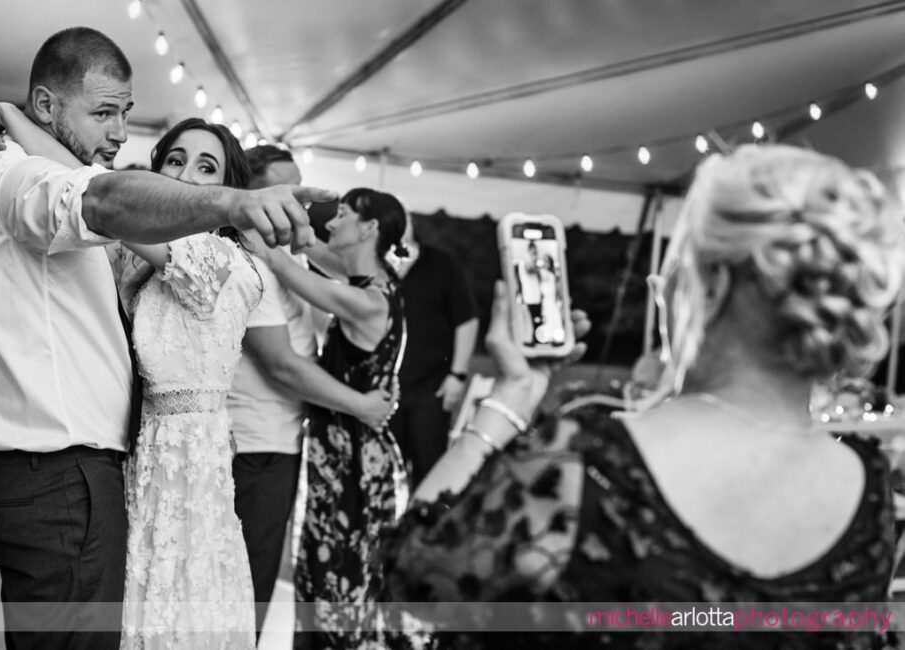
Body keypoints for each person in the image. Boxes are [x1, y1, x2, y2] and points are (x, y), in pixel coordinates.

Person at [380, 144, 905, 649]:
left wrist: (507, 401)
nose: (661, 280)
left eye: (678, 259)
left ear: (714, 286)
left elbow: (407, 597)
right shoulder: (872, 493)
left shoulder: (584, 463)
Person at [0, 27, 332, 650]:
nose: (122, 131)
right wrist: (11, 125)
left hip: (180, 472)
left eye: (207, 167)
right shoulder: (80, 216)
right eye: (174, 163)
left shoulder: (226, 266)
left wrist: (10, 122)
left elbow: (106, 197)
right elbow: (98, 195)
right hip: (106, 472)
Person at [229, 145, 395, 639]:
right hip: (253, 444)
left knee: (257, 581)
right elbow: (283, 366)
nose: (298, 205)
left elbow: (339, 280)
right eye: (284, 190)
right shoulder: (248, 258)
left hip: (281, 442)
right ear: (251, 191)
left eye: (300, 193)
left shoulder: (278, 253)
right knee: (245, 584)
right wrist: (361, 405)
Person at [388, 213, 478, 487]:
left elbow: (467, 319)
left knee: (429, 468)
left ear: (411, 224)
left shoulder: (442, 264)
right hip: (386, 388)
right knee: (389, 470)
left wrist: (458, 374)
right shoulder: (376, 265)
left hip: (432, 386)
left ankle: (424, 525)